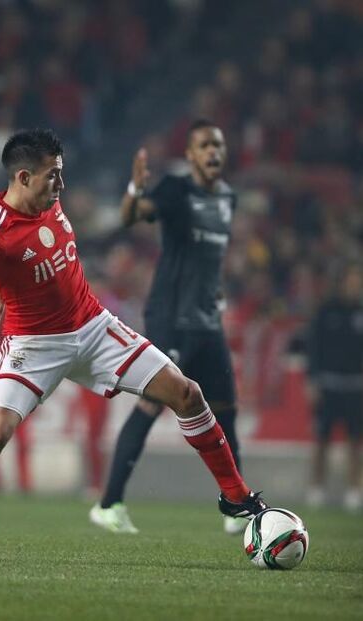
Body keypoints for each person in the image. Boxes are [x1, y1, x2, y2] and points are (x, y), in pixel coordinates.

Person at [0, 129, 266, 561]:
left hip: (93, 327)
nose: (61, 185)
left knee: (188, 393)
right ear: (24, 177)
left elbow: (14, 265)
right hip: (34, 345)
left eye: (62, 174)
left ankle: (236, 497)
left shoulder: (47, 200)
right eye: (53, 176)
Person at [90, 120, 247, 535]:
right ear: (191, 155)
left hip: (207, 321)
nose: (213, 151)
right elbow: (130, 218)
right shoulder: (176, 190)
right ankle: (109, 504)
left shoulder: (229, 198)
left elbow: (210, 261)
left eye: (218, 144)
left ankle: (235, 503)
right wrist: (133, 190)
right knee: (153, 402)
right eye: (204, 145)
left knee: (226, 410)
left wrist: (217, 295)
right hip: (172, 317)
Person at [305, 265, 363, 512]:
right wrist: (312, 379)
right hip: (328, 384)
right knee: (321, 439)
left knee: (354, 441)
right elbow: (313, 347)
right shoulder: (326, 310)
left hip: (356, 386)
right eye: (352, 280)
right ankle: (317, 489)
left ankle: (354, 490)